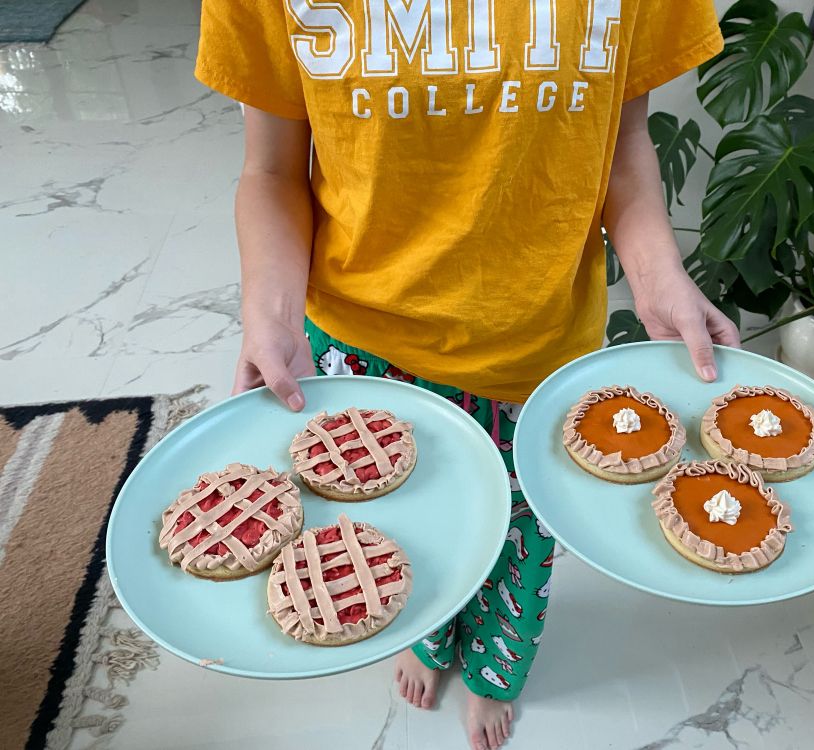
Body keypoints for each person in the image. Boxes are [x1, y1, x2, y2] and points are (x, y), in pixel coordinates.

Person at [195, 2, 738, 748]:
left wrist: (656, 274)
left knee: (523, 536)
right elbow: (271, 169)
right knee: (404, 531)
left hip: (536, 344)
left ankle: (495, 672)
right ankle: (431, 634)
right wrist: (271, 310)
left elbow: (621, 143)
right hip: (363, 342)